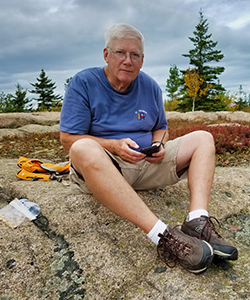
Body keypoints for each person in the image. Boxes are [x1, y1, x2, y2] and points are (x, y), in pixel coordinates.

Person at [59, 23, 238, 274]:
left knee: (203, 138)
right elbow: (68, 139)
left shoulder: (151, 86)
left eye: (135, 55)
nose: (128, 61)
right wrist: (114, 146)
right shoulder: (84, 83)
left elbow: (161, 127)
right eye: (121, 53)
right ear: (106, 54)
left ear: (142, 60)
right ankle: (163, 236)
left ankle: (197, 220)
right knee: (83, 148)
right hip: (105, 169)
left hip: (146, 165)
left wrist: (159, 144)